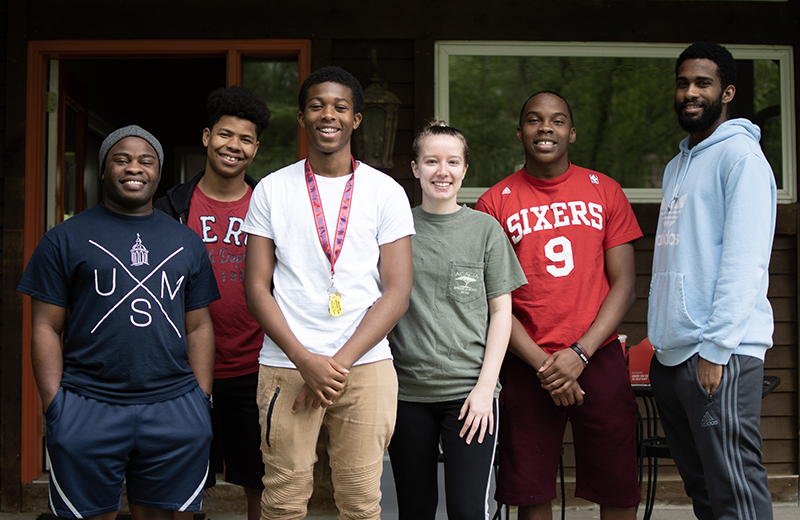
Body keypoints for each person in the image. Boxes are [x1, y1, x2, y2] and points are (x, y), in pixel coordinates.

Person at [18, 125, 219, 520]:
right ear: (105, 168)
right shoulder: (65, 238)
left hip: (174, 404)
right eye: (122, 159)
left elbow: (199, 326)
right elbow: (44, 326)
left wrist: (201, 399)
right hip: (87, 403)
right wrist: (55, 405)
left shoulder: (186, 242)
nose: (135, 168)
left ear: (158, 174)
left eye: (146, 161)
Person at [242, 66, 415, 520]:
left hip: (366, 365)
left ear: (356, 119)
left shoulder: (386, 192)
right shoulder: (271, 190)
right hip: (287, 364)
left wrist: (334, 366)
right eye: (317, 105)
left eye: (340, 107)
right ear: (302, 117)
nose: (328, 115)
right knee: (282, 499)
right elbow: (257, 287)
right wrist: (305, 360)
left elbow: (396, 292)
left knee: (360, 501)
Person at [475, 91, 643, 520]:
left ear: (572, 131)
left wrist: (581, 352)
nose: (545, 127)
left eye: (556, 120)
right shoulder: (494, 202)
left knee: (618, 486)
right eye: (534, 119)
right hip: (527, 360)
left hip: (598, 355)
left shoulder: (604, 190)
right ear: (520, 132)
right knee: (530, 491)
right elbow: (494, 300)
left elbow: (624, 283)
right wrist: (547, 366)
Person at [648, 41, 776, 520]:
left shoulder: (741, 157)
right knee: (703, 487)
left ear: (727, 92)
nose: (690, 92)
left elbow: (745, 261)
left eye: (703, 83)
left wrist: (717, 347)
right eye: (683, 83)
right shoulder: (677, 165)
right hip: (675, 354)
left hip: (719, 355)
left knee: (734, 489)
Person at [387, 121, 526, 520]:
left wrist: (485, 389)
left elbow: (502, 311)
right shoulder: (397, 229)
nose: (441, 171)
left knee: (468, 511)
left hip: (469, 395)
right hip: (406, 394)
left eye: (452, 161)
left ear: (465, 169)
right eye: (431, 161)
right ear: (415, 168)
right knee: (415, 509)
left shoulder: (485, 230)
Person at [155, 86, 271, 520]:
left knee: (258, 478)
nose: (234, 146)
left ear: (255, 148)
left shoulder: (269, 206)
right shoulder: (171, 208)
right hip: (183, 370)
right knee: (183, 477)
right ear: (207, 137)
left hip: (254, 365)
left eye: (245, 139)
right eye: (225, 135)